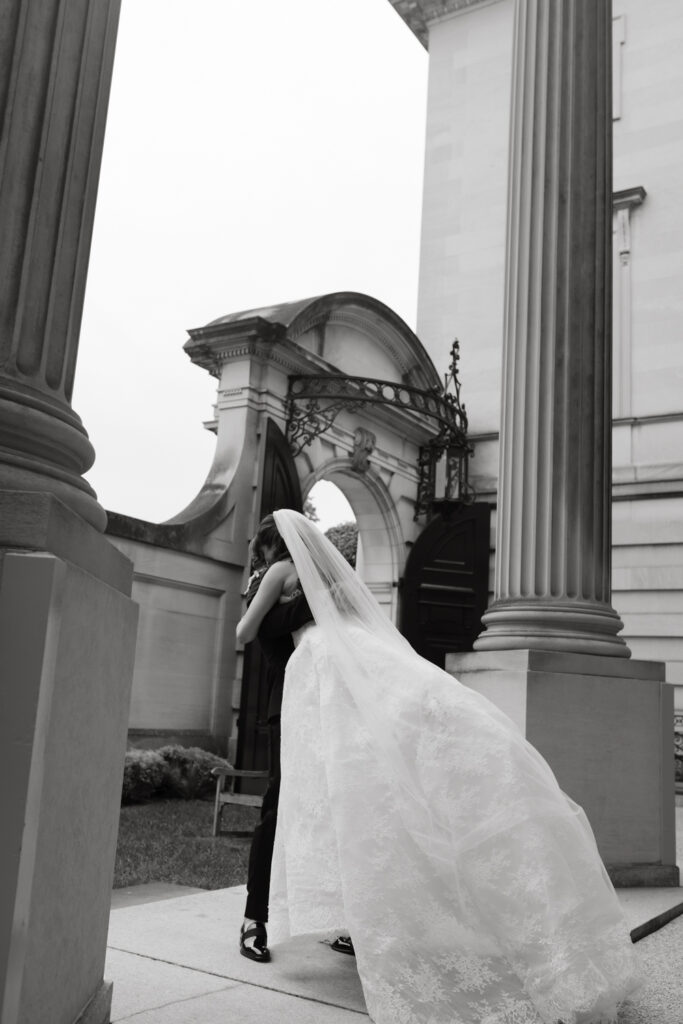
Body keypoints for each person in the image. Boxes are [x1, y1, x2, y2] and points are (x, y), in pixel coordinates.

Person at [239, 509, 639, 1024]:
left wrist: (304, 605)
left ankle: (326, 919)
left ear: (273, 546)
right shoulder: (317, 585)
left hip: (327, 693)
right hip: (315, 694)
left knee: (344, 805)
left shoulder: (286, 573)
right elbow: (263, 630)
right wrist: (307, 607)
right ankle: (264, 917)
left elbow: (247, 629)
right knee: (313, 806)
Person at [236, 516, 313, 963]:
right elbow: (251, 631)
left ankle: (337, 916)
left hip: (324, 699)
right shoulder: (272, 578)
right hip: (288, 702)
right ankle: (254, 918)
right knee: (277, 805)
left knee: (332, 805)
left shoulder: (309, 580)